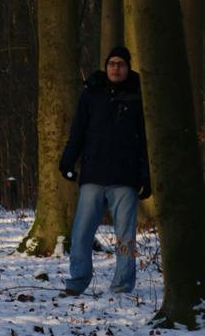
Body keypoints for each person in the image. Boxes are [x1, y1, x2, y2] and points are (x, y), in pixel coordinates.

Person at [58, 45, 151, 296]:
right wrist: (67, 162)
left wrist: (146, 176)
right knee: (81, 234)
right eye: (111, 64)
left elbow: (146, 140)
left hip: (126, 177)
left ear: (128, 66)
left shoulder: (140, 95)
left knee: (125, 237)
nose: (116, 68)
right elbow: (78, 132)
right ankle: (77, 280)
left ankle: (122, 285)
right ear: (105, 66)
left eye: (121, 64)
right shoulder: (92, 93)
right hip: (93, 174)